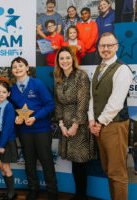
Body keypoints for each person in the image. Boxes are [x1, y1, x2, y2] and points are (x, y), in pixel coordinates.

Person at [88, 32, 133, 200]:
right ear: (98, 48)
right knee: (108, 169)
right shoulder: (99, 68)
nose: (105, 49)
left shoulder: (122, 69)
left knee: (117, 172)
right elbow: (94, 97)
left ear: (117, 47)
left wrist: (98, 122)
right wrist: (92, 120)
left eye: (109, 45)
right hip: (100, 126)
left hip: (115, 126)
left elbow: (116, 103)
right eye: (102, 46)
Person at [9, 57, 58, 200]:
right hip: (24, 132)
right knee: (29, 162)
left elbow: (50, 105)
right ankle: (33, 189)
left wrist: (35, 117)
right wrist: (15, 118)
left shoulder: (37, 84)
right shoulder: (12, 90)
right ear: (12, 71)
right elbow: (12, 109)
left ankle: (52, 191)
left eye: (20, 66)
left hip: (42, 130)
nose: (17, 69)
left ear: (27, 68)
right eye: (14, 67)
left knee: (47, 161)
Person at [53, 46, 96, 200]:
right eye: (61, 58)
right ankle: (78, 195)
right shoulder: (58, 78)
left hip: (80, 125)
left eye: (67, 57)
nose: (64, 61)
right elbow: (58, 103)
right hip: (65, 124)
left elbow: (83, 102)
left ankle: (81, 196)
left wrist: (75, 125)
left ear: (73, 59)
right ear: (58, 61)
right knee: (73, 161)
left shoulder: (81, 76)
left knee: (79, 162)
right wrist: (62, 125)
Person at [0, 82, 18, 200]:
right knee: (1, 167)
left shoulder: (9, 107)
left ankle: (12, 193)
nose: (1, 94)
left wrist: (1, 145)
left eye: (4, 92)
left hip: (6, 140)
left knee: (6, 167)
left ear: (8, 94)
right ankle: (8, 191)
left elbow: (7, 128)